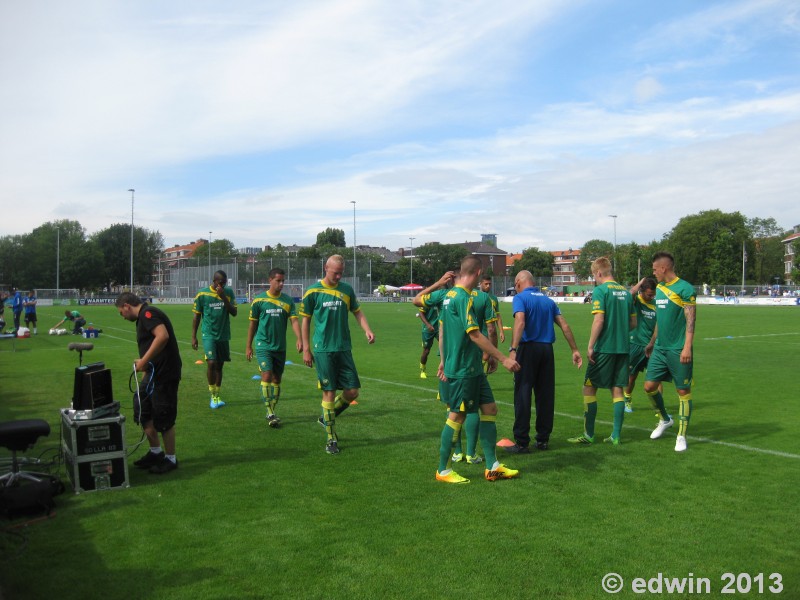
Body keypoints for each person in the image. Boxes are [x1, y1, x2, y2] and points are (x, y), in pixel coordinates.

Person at [434, 255, 521, 484]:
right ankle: (443, 470)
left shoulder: (449, 295)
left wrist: (443, 359)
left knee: (490, 408)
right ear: (478, 272)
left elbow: (442, 332)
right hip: (463, 369)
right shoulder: (462, 298)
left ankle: (492, 467)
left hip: (472, 368)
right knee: (457, 415)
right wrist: (503, 358)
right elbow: (474, 334)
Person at [301, 254, 375, 455]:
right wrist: (306, 348)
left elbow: (357, 312)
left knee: (352, 392)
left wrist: (367, 329)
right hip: (323, 349)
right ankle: (331, 437)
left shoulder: (346, 290)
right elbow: (305, 320)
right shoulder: (313, 291)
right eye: (336, 273)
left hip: (343, 348)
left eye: (342, 273)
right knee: (329, 392)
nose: (339, 277)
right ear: (326, 268)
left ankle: (326, 417)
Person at [506, 270, 582, 454]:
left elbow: (520, 322)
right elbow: (564, 325)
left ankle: (522, 442)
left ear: (518, 283)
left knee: (523, 393)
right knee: (545, 395)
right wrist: (574, 349)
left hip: (528, 349)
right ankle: (543, 440)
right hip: (547, 350)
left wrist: (513, 350)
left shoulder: (520, 298)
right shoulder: (548, 300)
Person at [568, 258, 635, 446]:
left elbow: (599, 320)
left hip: (604, 348)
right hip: (623, 348)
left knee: (589, 387)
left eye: (593, 276)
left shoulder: (600, 291)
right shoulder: (626, 293)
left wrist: (590, 346)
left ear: (598, 273)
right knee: (617, 389)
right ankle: (616, 436)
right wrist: (619, 330)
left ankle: (588, 434)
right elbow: (633, 323)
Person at [116, 292, 182, 474]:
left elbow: (162, 336)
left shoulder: (148, 314)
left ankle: (170, 458)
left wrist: (143, 361)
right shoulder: (143, 319)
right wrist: (146, 363)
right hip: (153, 373)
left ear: (127, 306)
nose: (122, 316)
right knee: (142, 407)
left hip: (165, 374)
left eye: (121, 312)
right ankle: (156, 452)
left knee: (163, 414)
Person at [644, 252, 697, 452]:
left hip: (678, 348)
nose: (654, 272)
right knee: (649, 386)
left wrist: (686, 347)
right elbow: (660, 319)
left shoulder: (685, 288)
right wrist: (652, 342)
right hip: (660, 348)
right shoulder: (659, 288)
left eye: (655, 269)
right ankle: (665, 419)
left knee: (683, 391)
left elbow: (691, 320)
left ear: (663, 268)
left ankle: (681, 435)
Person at [246, 268, 302, 428]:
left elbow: (294, 321)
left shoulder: (288, 301)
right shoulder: (259, 301)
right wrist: (248, 346)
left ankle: (270, 410)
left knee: (277, 380)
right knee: (266, 375)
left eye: (283, 281)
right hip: (263, 344)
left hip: (280, 347)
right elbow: (253, 324)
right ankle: (270, 413)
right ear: (270, 280)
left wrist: (299, 338)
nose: (281, 284)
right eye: (278, 280)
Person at [192, 270, 238, 409]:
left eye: (224, 283)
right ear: (214, 281)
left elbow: (234, 312)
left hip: (223, 335)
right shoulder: (202, 294)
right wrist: (194, 336)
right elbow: (197, 316)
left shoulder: (228, 293)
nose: (223, 285)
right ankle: (212, 395)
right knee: (211, 363)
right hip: (209, 334)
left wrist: (223, 297)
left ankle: (217, 395)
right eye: (220, 283)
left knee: (220, 366)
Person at [622, 277, 658, 413]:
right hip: (635, 345)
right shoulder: (636, 301)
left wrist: (653, 342)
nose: (651, 296)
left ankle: (658, 407)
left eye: (653, 294)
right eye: (649, 294)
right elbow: (630, 293)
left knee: (656, 378)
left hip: (652, 346)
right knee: (632, 376)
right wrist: (640, 282)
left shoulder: (656, 304)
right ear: (642, 291)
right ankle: (627, 399)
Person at [479, 274, 505, 345]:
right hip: (479, 332)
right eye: (486, 284)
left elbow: (498, 316)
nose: (488, 286)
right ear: (480, 284)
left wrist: (501, 331)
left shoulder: (494, 298)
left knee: (492, 354)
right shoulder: (475, 297)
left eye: (490, 284)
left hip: (492, 331)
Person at [416, 299, 439, 380]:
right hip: (427, 329)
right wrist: (428, 325)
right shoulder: (427, 300)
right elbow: (421, 313)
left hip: (439, 328)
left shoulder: (441, 298)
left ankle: (442, 370)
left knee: (445, 349)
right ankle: (423, 370)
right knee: (426, 351)